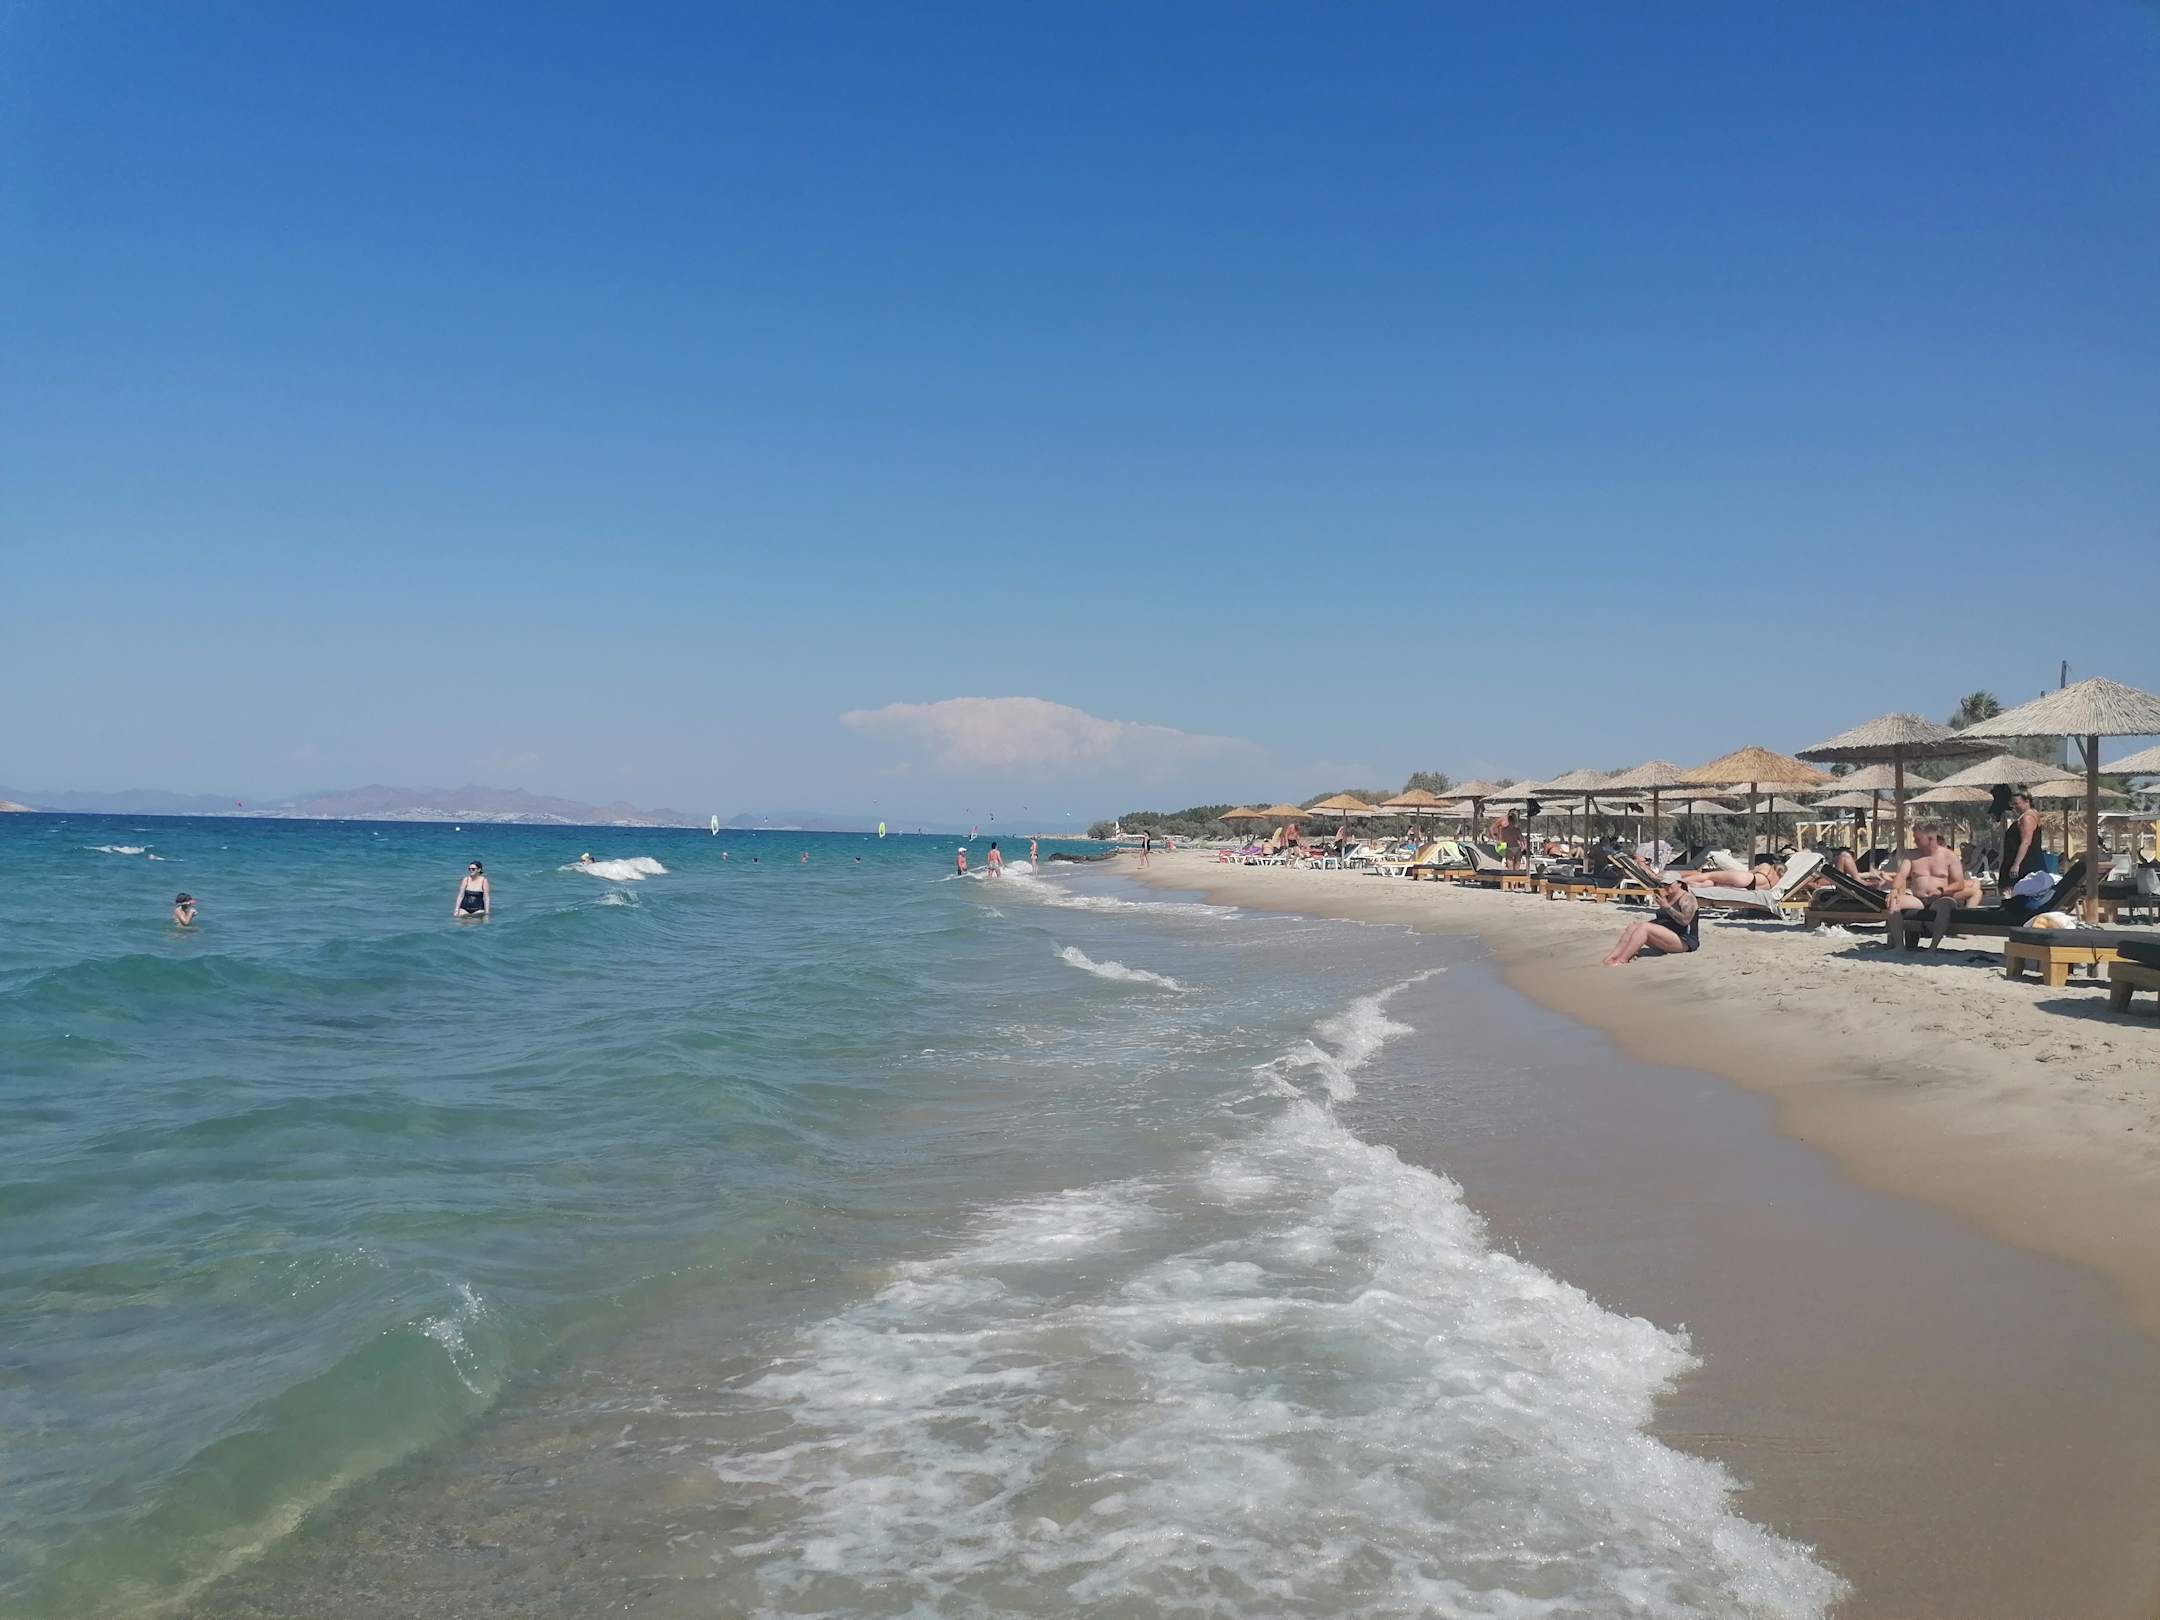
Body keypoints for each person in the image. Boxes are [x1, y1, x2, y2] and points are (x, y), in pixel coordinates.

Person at [1884, 823, 1980, 948]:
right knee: (1894, 902)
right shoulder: (1911, 855)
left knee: (1945, 905)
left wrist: (1942, 890)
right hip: (1918, 899)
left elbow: (1959, 883)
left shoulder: (1949, 856)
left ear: (1930, 838)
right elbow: (1901, 875)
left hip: (1940, 897)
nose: (1914, 842)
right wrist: (1894, 889)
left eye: (1918, 839)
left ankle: (1933, 947)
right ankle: (1899, 947)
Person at [1604, 880, 1700, 964]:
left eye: (1669, 884)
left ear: (1679, 884)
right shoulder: (1666, 897)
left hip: (1685, 941)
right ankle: (1611, 957)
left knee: (1644, 927)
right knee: (1633, 928)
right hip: (1668, 936)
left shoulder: (1687, 898)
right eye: (1664, 884)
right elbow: (1663, 920)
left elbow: (1685, 921)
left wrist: (1667, 907)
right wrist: (1641, 925)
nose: (1666, 886)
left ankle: (1622, 960)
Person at [2001, 789, 2047, 886]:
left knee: (2012, 890)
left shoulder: (2027, 818)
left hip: (2025, 864)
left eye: (2017, 803)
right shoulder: (2031, 815)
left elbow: (2026, 842)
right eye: (2012, 804)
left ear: (2027, 801)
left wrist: (2016, 864)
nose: (2014, 807)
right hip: (2029, 861)